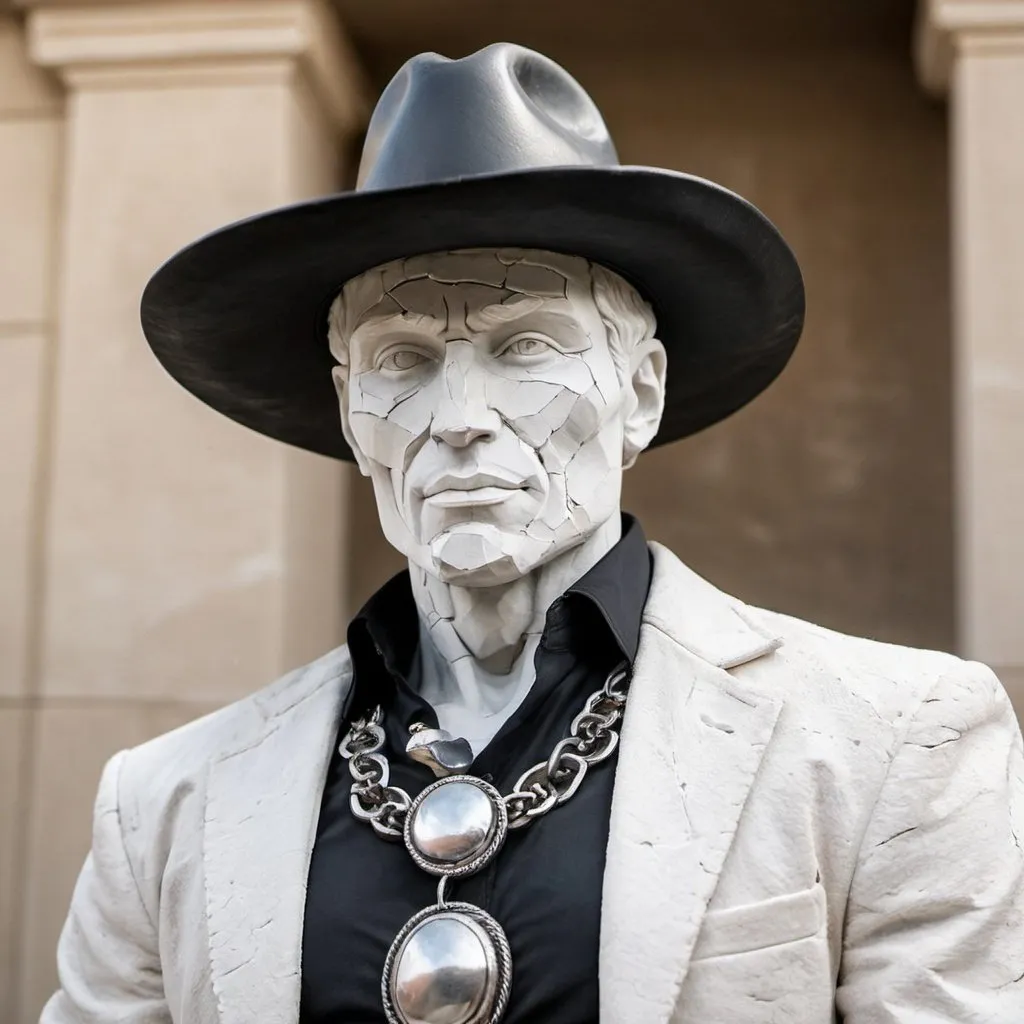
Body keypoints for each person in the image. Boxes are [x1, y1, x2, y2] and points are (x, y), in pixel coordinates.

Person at [43, 42, 1024, 1024]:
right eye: (402, 357)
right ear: (350, 413)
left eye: (525, 347)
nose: (460, 415)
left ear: (639, 392)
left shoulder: (893, 742)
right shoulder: (167, 803)